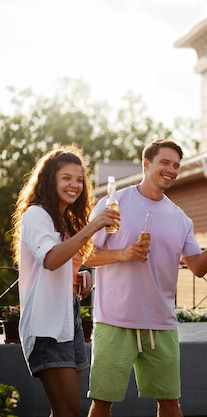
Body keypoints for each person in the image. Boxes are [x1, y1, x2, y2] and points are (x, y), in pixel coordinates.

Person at [85, 139, 207, 417]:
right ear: (146, 164)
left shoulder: (180, 218)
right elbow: (86, 255)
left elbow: (198, 268)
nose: (172, 170)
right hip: (115, 319)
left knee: (170, 403)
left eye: (176, 165)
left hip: (160, 323)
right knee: (102, 402)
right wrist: (123, 254)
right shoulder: (115, 203)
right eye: (165, 162)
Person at [10, 146, 118, 417]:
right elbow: (49, 259)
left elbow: (61, 262)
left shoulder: (65, 220)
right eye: (66, 178)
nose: (75, 185)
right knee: (68, 409)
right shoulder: (36, 214)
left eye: (80, 179)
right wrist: (92, 227)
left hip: (68, 318)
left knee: (65, 410)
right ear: (50, 180)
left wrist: (80, 275)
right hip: (46, 323)